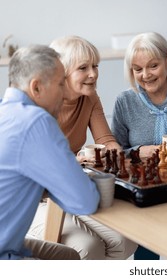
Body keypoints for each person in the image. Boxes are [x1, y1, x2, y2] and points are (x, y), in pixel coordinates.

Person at [28, 36, 137, 260]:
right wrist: (70, 164)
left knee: (123, 240)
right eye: (83, 68)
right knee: (87, 247)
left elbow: (107, 140)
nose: (93, 74)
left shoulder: (89, 97)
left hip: (69, 190)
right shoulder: (39, 104)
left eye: (95, 66)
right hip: (34, 198)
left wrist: (111, 153)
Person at [0, 45, 100, 259]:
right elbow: (84, 201)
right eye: (61, 83)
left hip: (8, 243)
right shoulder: (35, 121)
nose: (65, 92)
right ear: (36, 87)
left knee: (70, 257)